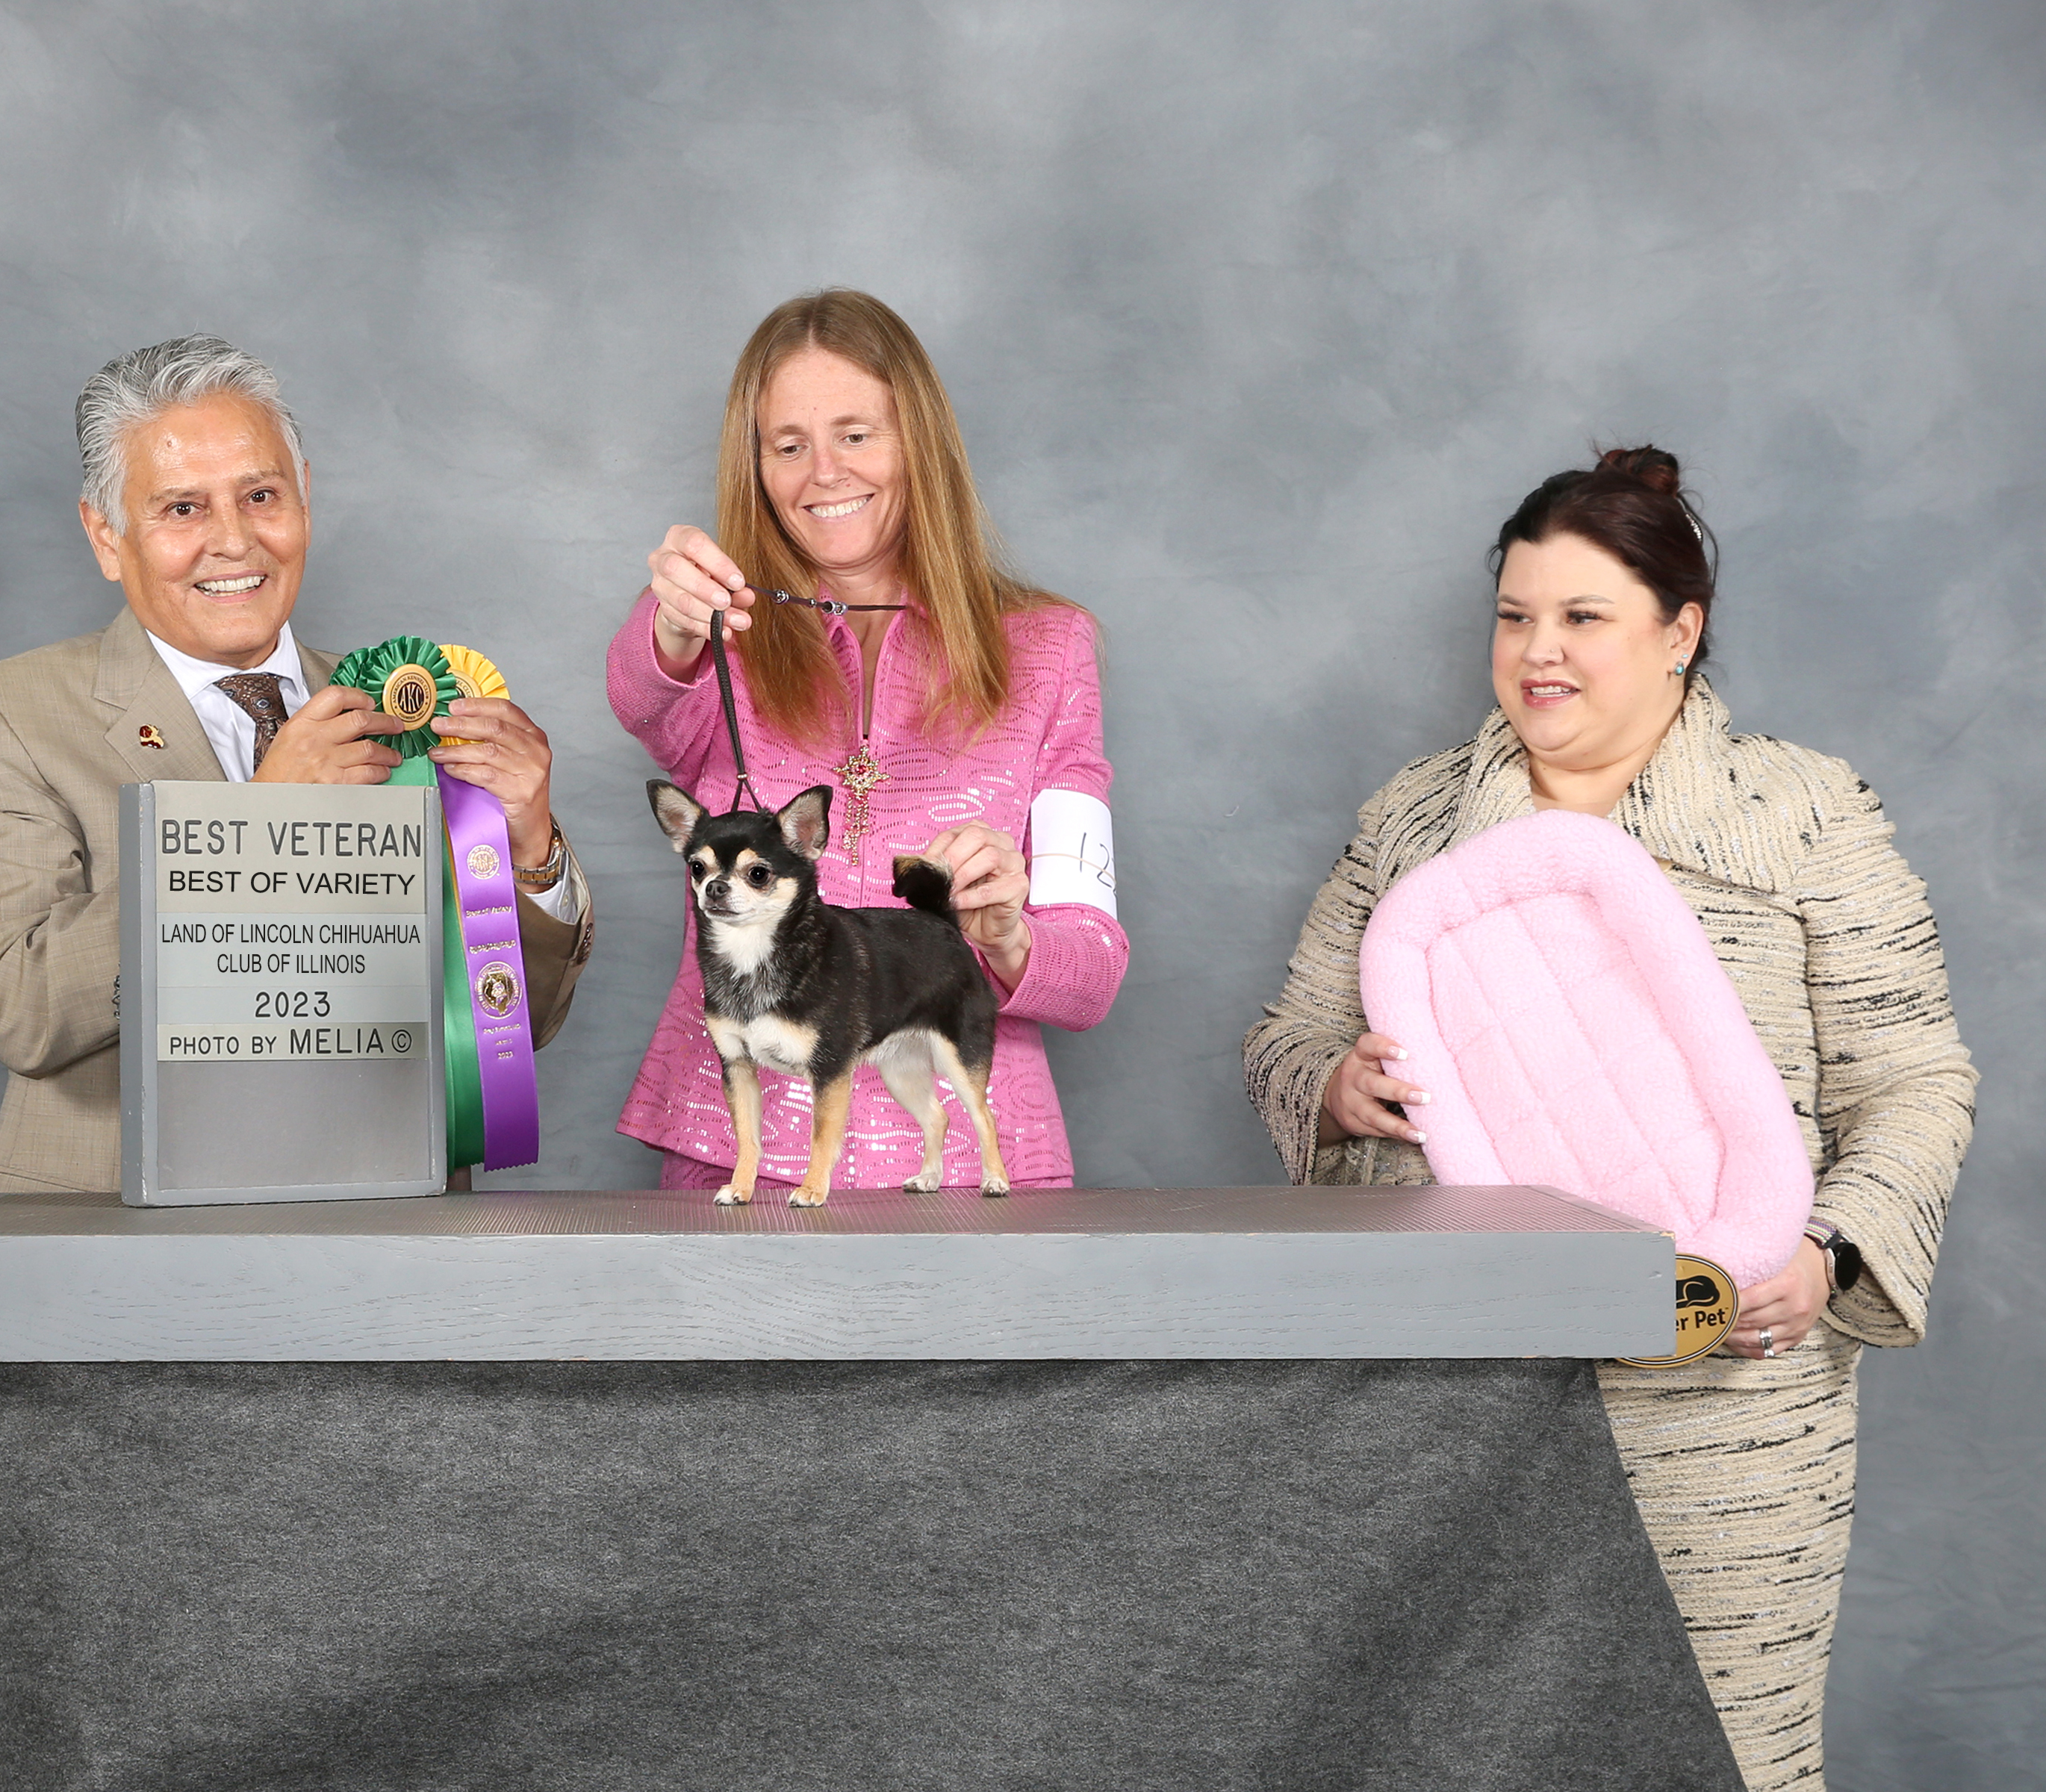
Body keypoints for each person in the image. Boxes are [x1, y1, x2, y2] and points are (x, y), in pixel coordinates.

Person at [1243, 446, 1975, 1789]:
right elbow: (1284, 1042)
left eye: (1582, 616)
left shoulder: (1807, 814)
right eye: (1515, 616)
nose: (1539, 652)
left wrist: (1828, 1255)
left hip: (1730, 1419)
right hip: (1464, 1408)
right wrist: (1333, 1089)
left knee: (1730, 1759)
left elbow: (1917, 1080)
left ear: (1679, 633)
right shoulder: (1412, 824)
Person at [0, 335, 592, 1194]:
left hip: (391, 1212)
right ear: (105, 535)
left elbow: (512, 1028)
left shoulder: (407, 708)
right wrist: (257, 824)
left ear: (304, 498)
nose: (235, 541)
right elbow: (21, 1009)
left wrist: (530, 853)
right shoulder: (2, 717)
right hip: (114, 1229)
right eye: (182, 509)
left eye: (261, 496)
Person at [608, 289, 1125, 1191]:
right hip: (738, 1169)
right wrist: (672, 624)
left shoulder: (1052, 648)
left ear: (919, 440)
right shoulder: (713, 631)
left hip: (974, 1181)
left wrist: (1008, 937)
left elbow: (1091, 977)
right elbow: (641, 698)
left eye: (855, 434)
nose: (824, 473)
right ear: (755, 466)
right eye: (788, 445)